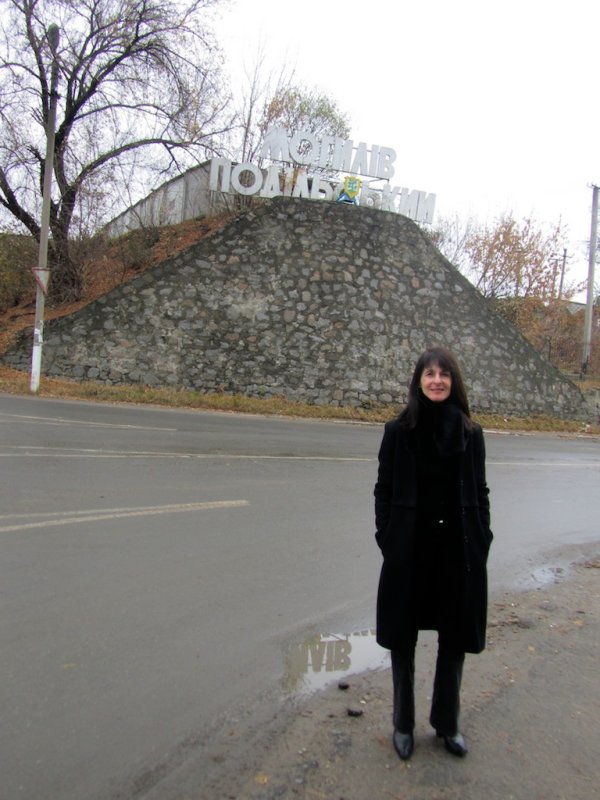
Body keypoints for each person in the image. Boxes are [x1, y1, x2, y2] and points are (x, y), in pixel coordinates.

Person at [373, 347, 493, 761]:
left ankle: (447, 723)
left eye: (444, 374)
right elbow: (383, 489)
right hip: (409, 551)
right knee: (402, 639)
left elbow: (480, 490)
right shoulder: (398, 431)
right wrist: (386, 536)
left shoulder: (470, 433)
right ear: (418, 381)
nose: (437, 380)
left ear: (454, 382)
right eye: (430, 374)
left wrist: (482, 538)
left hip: (456, 553)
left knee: (454, 638)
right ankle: (402, 723)